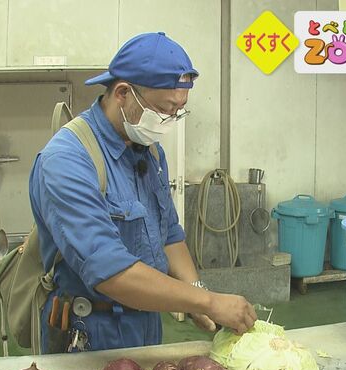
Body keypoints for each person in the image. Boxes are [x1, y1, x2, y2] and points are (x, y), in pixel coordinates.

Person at [29, 32, 257, 353]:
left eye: (179, 110)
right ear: (123, 93)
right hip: (90, 330)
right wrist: (209, 301)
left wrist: (194, 292)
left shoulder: (149, 151)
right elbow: (109, 271)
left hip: (146, 322)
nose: (169, 120)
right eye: (164, 110)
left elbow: (168, 234)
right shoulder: (67, 160)